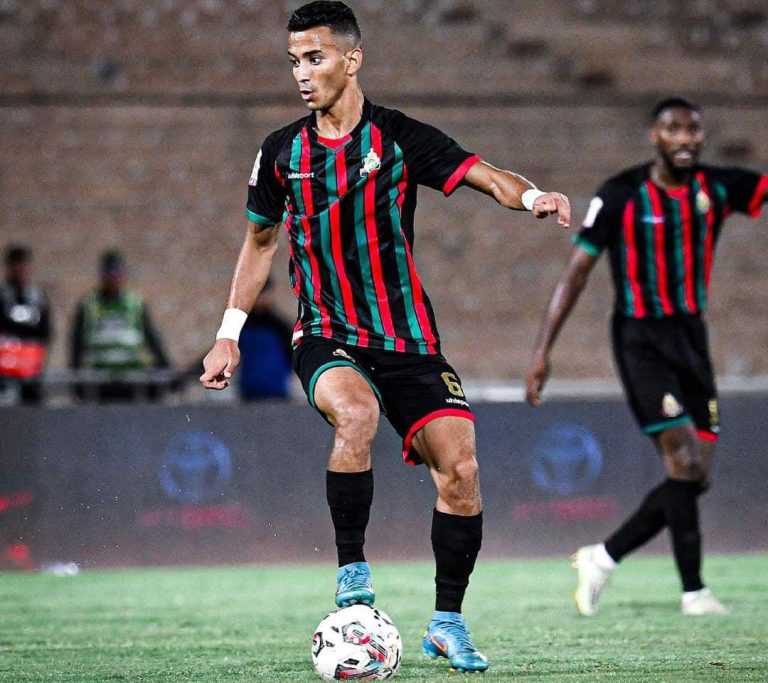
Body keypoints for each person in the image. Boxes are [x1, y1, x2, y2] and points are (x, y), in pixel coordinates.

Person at [200, 1, 569, 672]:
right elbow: (260, 242)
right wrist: (229, 333)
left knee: (461, 472)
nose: (301, 74)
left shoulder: (398, 138)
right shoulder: (281, 151)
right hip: (326, 331)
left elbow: (486, 175)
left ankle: (447, 622)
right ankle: (352, 572)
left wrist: (532, 197)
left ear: (352, 59)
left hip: (408, 339)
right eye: (294, 61)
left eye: (314, 58)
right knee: (356, 413)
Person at [525, 97, 767, 617]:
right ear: (655, 136)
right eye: (673, 129)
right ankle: (694, 593)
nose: (685, 139)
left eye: (693, 130)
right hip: (641, 341)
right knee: (684, 461)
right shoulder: (620, 194)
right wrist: (543, 353)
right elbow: (576, 273)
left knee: (696, 476)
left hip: (692, 341)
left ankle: (603, 557)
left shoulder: (717, 187)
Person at [71, 250, 173, 402]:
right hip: (99, 381)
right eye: (109, 272)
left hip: (133, 379)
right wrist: (76, 381)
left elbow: (152, 340)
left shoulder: (134, 303)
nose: (113, 277)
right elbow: (76, 345)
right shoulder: (89, 304)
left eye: (117, 272)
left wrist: (167, 369)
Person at [0, 245, 51, 405]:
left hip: (31, 370)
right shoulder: (3, 296)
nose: (19, 268)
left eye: (22, 263)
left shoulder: (37, 297)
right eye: (15, 263)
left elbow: (45, 332)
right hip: (5, 370)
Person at [237, 277, 294, 401]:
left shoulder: (279, 326)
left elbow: (294, 356)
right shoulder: (242, 325)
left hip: (277, 392)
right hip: (248, 392)